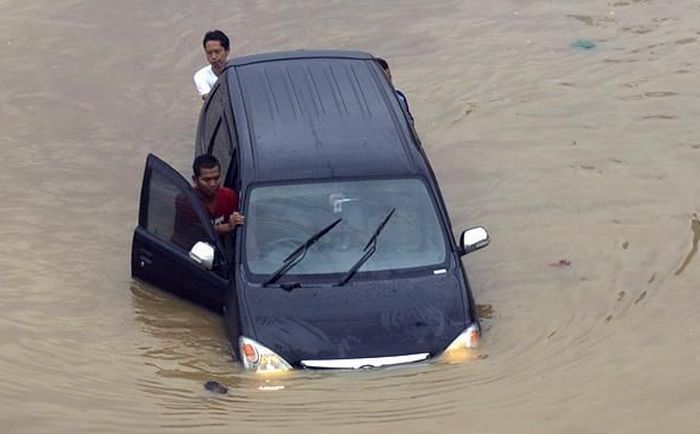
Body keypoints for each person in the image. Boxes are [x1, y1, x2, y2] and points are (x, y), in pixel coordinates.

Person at [173, 155, 244, 250]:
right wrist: (228, 227)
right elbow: (199, 231)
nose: (213, 184)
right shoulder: (185, 201)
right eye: (207, 180)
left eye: (216, 178)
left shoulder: (229, 196)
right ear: (195, 180)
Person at [193, 30, 231, 100]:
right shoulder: (201, 75)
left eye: (217, 52)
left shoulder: (239, 70)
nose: (213, 56)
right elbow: (208, 99)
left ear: (227, 50)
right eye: (209, 53)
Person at [376, 58, 414, 124]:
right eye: (385, 81)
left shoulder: (400, 98)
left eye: (390, 78)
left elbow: (410, 122)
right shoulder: (372, 105)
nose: (390, 84)